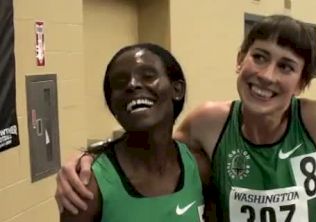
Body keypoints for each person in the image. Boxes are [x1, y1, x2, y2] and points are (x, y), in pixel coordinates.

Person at [56, 15, 316, 221]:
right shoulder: (208, 122)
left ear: (301, 83)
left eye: (286, 66)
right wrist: (85, 160)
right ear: (240, 61)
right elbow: (149, 146)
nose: (267, 76)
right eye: (259, 57)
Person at [60, 43, 214, 221]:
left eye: (148, 76)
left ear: (177, 89)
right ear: (112, 104)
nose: (132, 85)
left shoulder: (198, 166)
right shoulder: (88, 184)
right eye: (119, 82)